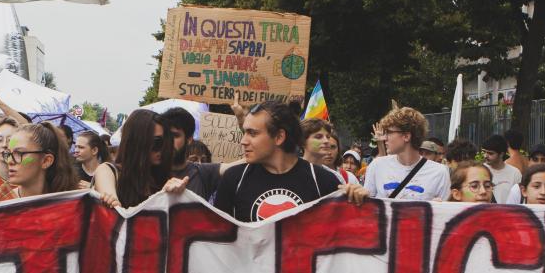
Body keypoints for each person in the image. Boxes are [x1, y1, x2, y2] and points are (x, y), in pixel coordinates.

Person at [211, 102, 348, 222]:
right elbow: (218, 237)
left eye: (252, 133)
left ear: (279, 137)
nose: (243, 141)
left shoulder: (323, 181)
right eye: (245, 132)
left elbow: (343, 234)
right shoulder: (234, 179)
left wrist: (356, 200)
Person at [0, 123, 80, 210]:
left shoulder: (74, 205)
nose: (10, 161)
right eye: (9, 154)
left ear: (46, 161)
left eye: (19, 153)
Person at [363, 105, 450, 201]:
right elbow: (367, 206)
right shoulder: (377, 166)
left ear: (406, 136)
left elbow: (447, 209)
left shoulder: (439, 172)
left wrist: (437, 207)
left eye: (389, 132)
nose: (385, 138)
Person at [94, 109, 171, 208]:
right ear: (137, 141)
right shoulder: (108, 170)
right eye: (157, 142)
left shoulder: (161, 175)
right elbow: (112, 204)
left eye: (166, 142)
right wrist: (111, 201)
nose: (163, 149)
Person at [160, 108, 223, 199]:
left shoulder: (203, 172)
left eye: (175, 136)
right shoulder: (148, 172)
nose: (169, 141)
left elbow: (240, 166)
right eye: (166, 135)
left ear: (189, 139)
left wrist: (241, 122)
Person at [479, 134, 521, 204]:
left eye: (490, 153)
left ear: (501, 154)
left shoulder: (515, 173)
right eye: (484, 152)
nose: (485, 156)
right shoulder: (480, 170)